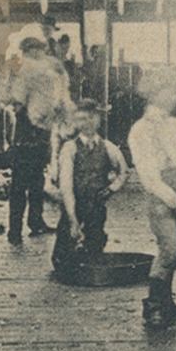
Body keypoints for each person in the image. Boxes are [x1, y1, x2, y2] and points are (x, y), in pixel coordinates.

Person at [128, 76, 176, 325]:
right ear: (155, 94)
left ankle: (167, 304)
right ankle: (153, 307)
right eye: (170, 92)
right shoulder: (141, 129)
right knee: (169, 247)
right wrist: (167, 195)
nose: (175, 97)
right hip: (161, 195)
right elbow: (146, 171)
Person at [0, 34, 72, 244]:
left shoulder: (23, 68)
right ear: (32, 50)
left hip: (29, 129)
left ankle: (26, 225)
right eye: (39, 49)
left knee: (30, 179)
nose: (42, 53)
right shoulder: (31, 69)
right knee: (26, 180)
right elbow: (18, 98)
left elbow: (6, 98)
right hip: (31, 129)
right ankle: (21, 228)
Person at [51, 100, 129, 272]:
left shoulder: (108, 147)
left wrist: (111, 189)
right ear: (77, 122)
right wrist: (72, 219)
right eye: (83, 119)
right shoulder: (70, 148)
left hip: (96, 205)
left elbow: (124, 172)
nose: (89, 122)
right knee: (62, 255)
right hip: (74, 203)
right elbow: (66, 185)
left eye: (93, 118)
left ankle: (89, 261)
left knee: (95, 247)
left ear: (99, 120)